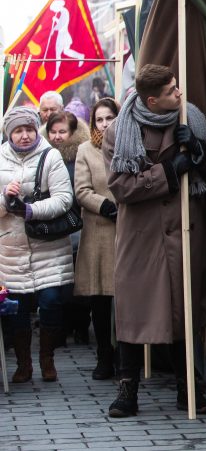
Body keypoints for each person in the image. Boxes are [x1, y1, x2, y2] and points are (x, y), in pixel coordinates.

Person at [103, 64, 206, 418]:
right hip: (142, 235)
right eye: (171, 91)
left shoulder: (189, 118)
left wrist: (198, 149)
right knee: (133, 312)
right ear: (151, 100)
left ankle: (189, 390)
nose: (179, 94)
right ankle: (127, 390)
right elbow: (122, 186)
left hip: (185, 228)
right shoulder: (119, 132)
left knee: (184, 308)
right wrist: (171, 169)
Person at [0, 106, 75, 383]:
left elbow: (64, 199)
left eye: (28, 129)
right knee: (17, 308)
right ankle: (23, 364)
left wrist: (30, 210)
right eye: (18, 130)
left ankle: (47, 358)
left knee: (52, 302)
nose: (24, 135)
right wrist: (6, 200)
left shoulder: (50, 155)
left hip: (49, 245)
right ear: (9, 133)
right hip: (11, 249)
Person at [73, 97, 120, 380]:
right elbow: (81, 189)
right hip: (100, 229)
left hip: (129, 229)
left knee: (127, 298)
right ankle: (104, 355)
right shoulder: (85, 150)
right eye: (99, 119)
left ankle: (128, 355)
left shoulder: (130, 144)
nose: (104, 124)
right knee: (101, 299)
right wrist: (105, 206)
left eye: (109, 118)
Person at [46, 110, 92, 345]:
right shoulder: (43, 157)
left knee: (78, 283)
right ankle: (60, 329)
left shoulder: (81, 156)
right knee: (58, 283)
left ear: (73, 133)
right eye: (52, 132)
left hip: (78, 228)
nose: (56, 136)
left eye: (62, 131)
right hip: (52, 229)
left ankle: (80, 326)